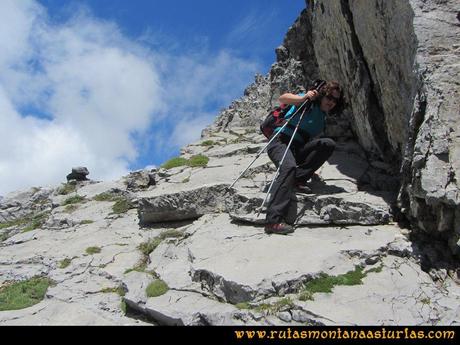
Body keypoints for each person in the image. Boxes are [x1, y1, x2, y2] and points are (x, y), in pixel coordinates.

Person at [264, 81, 344, 235]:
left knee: (327, 144)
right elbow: (283, 98)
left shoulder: (321, 120)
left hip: (297, 148)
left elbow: (311, 144)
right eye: (329, 97)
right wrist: (304, 98)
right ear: (322, 95)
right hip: (280, 141)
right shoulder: (307, 102)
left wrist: (309, 168)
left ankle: (298, 179)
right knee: (288, 167)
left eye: (335, 100)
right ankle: (272, 221)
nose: (331, 102)